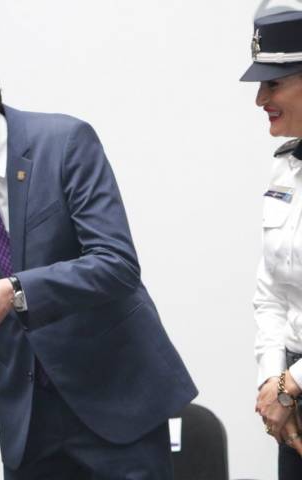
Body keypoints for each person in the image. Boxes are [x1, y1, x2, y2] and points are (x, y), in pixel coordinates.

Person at [0, 31, 198, 479]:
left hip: (115, 400)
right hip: (29, 423)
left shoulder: (64, 143)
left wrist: (15, 291)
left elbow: (115, 263)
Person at [242, 10, 302, 479]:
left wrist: (290, 385)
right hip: (292, 399)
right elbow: (272, 293)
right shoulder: (286, 166)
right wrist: (273, 379)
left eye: (274, 83)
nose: (261, 98)